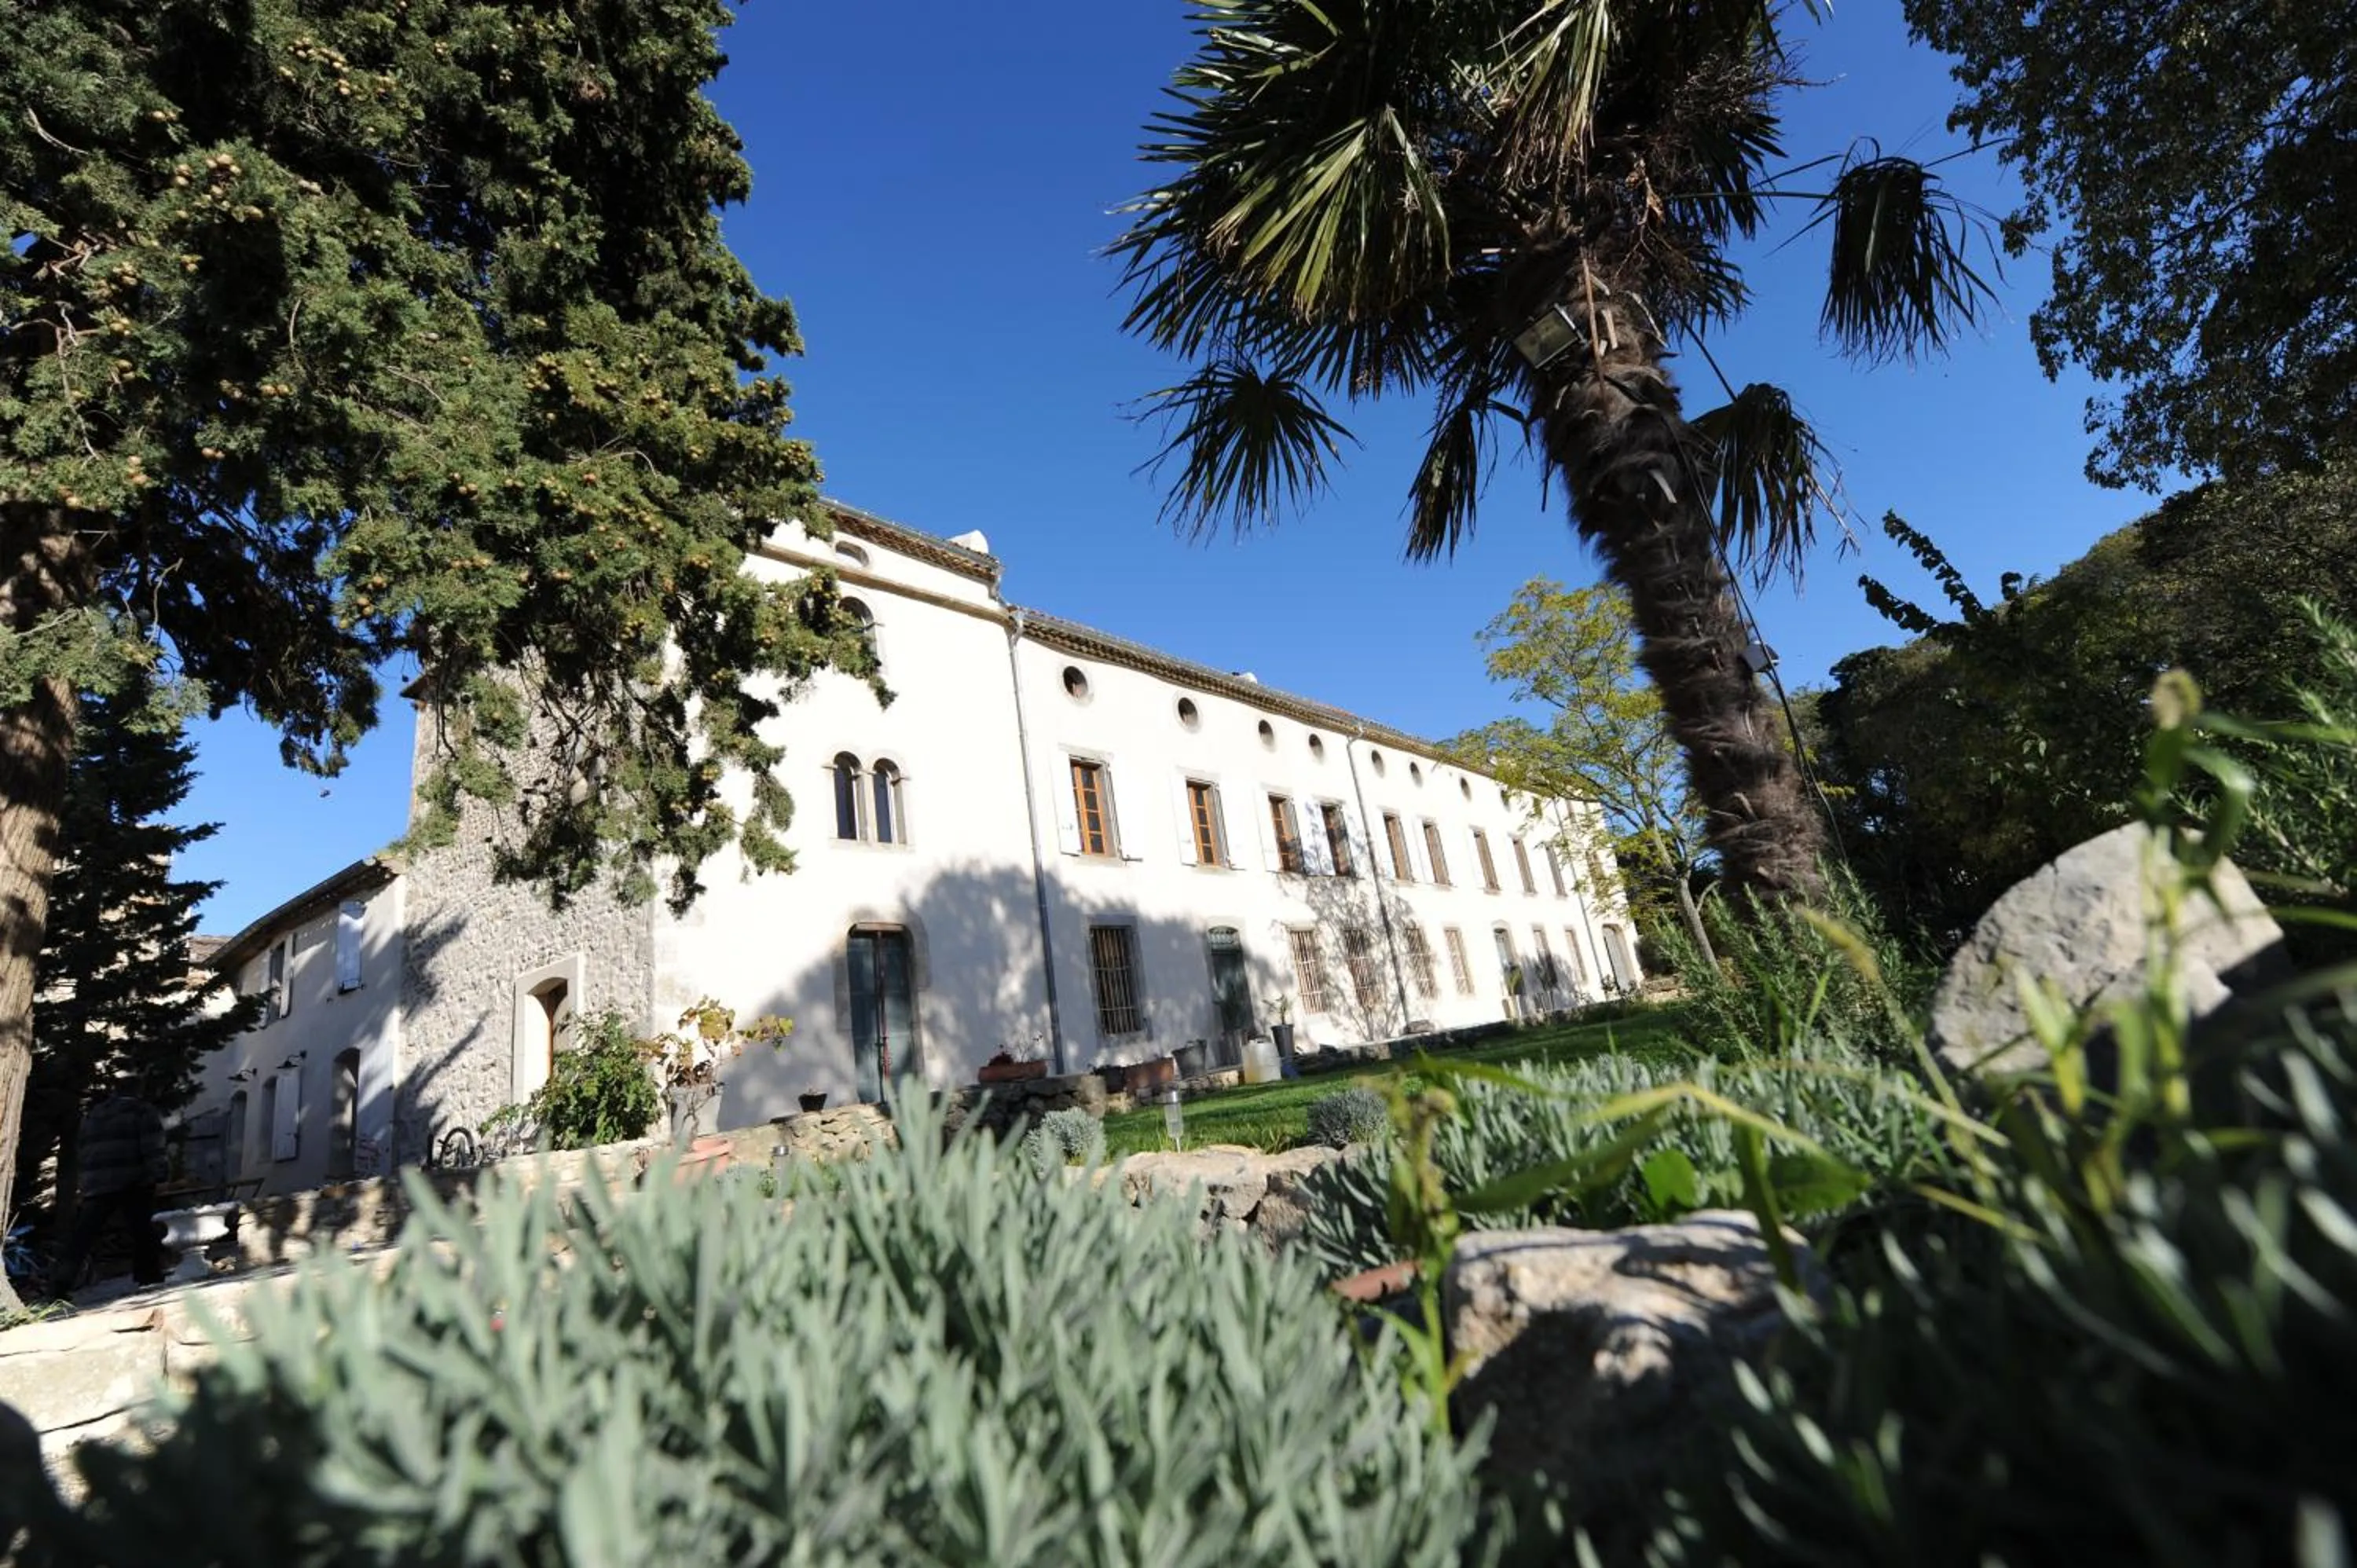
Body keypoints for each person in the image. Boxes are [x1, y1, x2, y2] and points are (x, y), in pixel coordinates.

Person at [46, 1086, 169, 1297]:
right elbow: (152, 1146)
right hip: (132, 1180)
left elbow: (82, 1149)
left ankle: (60, 1284)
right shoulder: (142, 1111)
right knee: (142, 1231)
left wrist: (86, 1183)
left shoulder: (93, 1116)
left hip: (97, 1183)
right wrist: (160, 1174)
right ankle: (149, 1277)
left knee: (82, 1236)